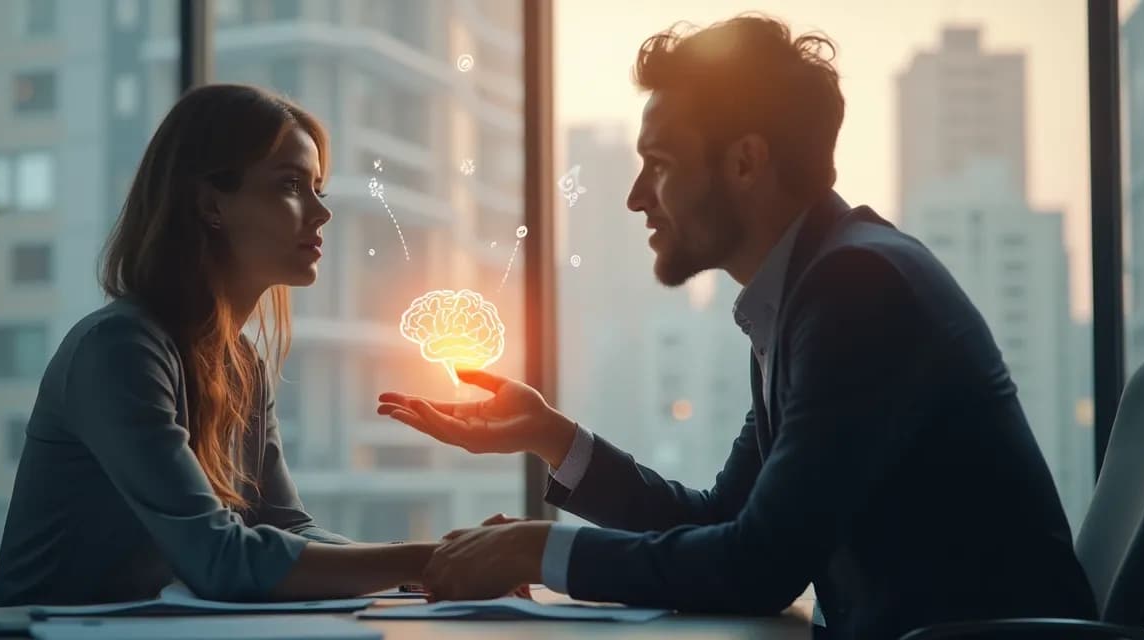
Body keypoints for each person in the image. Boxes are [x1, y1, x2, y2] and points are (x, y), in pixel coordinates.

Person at [377, 15, 1098, 640]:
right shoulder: (811, 290)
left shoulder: (858, 291)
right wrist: (551, 437)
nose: (636, 197)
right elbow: (725, 518)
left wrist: (536, 553)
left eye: (659, 164)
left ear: (746, 163)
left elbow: (759, 565)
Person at [0, 84, 434, 607]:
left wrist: (436, 561)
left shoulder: (242, 363)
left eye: (318, 188)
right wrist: (427, 561)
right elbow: (218, 559)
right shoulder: (119, 351)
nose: (321, 213)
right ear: (209, 204)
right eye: (291, 185)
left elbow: (287, 527)